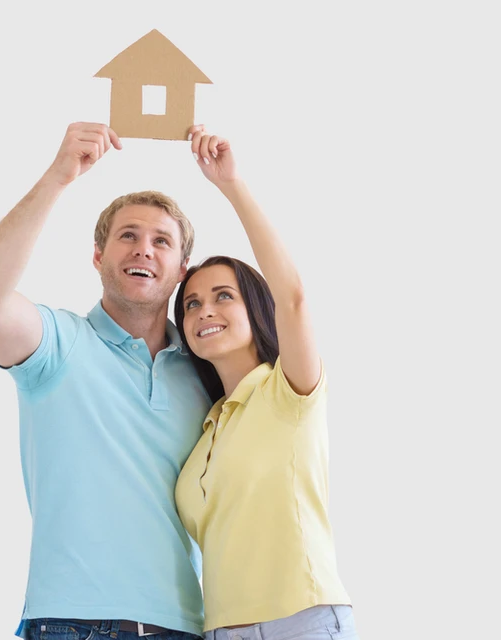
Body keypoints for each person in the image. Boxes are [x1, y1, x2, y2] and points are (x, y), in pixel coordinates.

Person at [0, 122, 211, 640]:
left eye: (161, 241)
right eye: (128, 236)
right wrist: (58, 177)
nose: (144, 249)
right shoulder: (57, 345)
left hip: (185, 626)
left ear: (182, 268)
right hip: (72, 624)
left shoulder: (205, 372)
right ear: (98, 257)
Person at [172, 125, 360, 640]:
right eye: (191, 304)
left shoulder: (287, 392)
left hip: (303, 622)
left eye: (222, 296)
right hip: (220, 631)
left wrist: (231, 185)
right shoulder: (207, 428)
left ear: (256, 308)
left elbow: (294, 297)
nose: (204, 310)